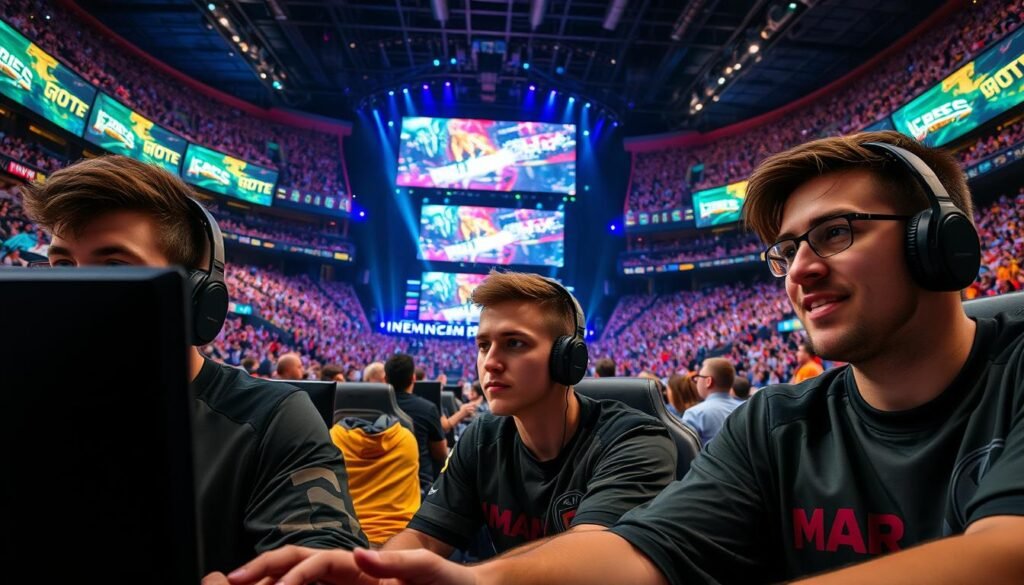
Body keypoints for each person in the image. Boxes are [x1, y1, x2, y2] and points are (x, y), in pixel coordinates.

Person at [215, 131, 1024, 585]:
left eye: (837, 232)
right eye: (785, 250)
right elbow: (638, 550)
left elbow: (1004, 553)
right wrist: (458, 582)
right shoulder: (773, 424)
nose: (802, 268)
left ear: (939, 242)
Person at [20, 155, 368, 577]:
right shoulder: (22, 403)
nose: (77, 290)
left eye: (114, 266)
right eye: (62, 265)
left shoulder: (274, 419)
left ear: (195, 297)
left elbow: (325, 562)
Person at [214, 271, 676, 583]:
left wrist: (471, 576)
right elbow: (423, 537)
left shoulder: (636, 439)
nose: (490, 362)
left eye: (514, 343)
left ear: (568, 359)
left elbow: (594, 552)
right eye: (483, 344)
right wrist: (372, 571)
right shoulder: (483, 436)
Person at [385, 353, 448, 494]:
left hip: (379, 482)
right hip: (418, 486)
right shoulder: (427, 408)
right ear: (413, 378)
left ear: (385, 379)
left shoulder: (372, 406)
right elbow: (440, 453)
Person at [681, 357, 742, 445]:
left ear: (708, 381)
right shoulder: (746, 407)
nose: (696, 380)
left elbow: (687, 453)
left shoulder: (695, 414)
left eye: (699, 376)